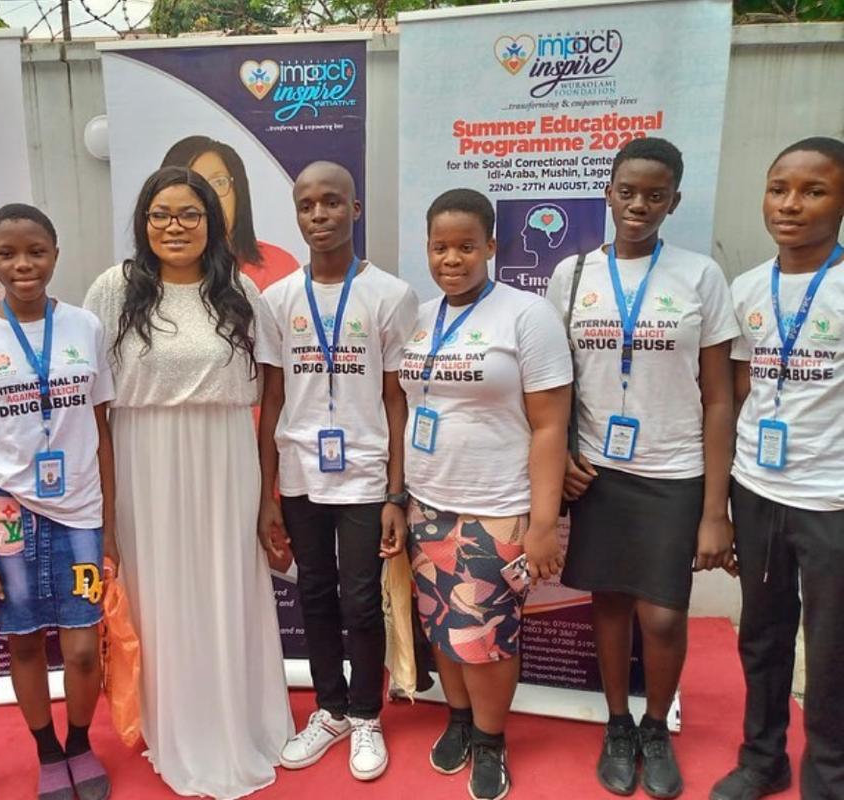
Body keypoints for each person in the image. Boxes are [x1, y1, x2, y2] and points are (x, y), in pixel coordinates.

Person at [83, 166, 292, 799]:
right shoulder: (114, 289)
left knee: (227, 587)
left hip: (226, 458)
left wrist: (268, 493)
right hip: (144, 460)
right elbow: (90, 403)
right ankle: (177, 727)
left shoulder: (239, 291)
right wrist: (103, 507)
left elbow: (273, 388)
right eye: (161, 214)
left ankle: (238, 722)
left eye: (189, 214)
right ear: (144, 222)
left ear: (212, 223)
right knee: (163, 596)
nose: (175, 226)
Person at [545, 137, 739, 799]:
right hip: (598, 470)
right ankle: (618, 724)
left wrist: (715, 510)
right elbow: (553, 383)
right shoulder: (572, 275)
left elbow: (719, 398)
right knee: (608, 603)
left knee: (661, 616)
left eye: (655, 195)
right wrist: (562, 455)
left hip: (675, 470)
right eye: (627, 192)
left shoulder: (700, 276)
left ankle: (656, 726)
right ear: (608, 193)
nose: (639, 205)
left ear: (674, 202)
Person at [0, 204, 117, 800]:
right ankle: (47, 752)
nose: (23, 265)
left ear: (55, 253)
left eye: (36, 251)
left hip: (79, 511)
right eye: (7, 254)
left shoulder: (85, 327)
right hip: (4, 511)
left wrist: (110, 527)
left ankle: (80, 742)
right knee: (27, 639)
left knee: (84, 645)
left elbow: (102, 429)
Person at [401, 188, 571, 800]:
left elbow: (550, 425)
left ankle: (491, 740)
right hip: (426, 501)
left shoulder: (527, 315)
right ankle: (459, 719)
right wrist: (398, 497)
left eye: (466, 246)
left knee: (487, 638)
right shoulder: (418, 317)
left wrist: (543, 523)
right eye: (440, 247)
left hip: (497, 507)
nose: (452, 259)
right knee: (441, 624)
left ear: (491, 246)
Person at [256, 160, 418, 781]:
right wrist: (267, 493)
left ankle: (366, 713)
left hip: (365, 475)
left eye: (331, 202)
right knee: (316, 594)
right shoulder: (277, 300)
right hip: (300, 472)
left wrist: (396, 492)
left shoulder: (390, 295)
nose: (318, 214)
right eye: (306, 204)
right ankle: (330, 711)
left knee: (361, 600)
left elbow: (397, 399)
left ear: (355, 209)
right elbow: (273, 398)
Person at [711, 136, 844, 800]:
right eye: (778, 189)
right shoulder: (746, 288)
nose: (790, 205)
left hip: (832, 499)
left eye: (813, 191)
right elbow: (740, 393)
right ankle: (763, 758)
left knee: (831, 647)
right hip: (758, 489)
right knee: (763, 636)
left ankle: (829, 775)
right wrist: (725, 501)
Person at [162, 135, 299, 290]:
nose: (210, 195)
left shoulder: (280, 267)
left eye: (219, 182)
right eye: (194, 184)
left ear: (238, 192)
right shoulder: (152, 274)